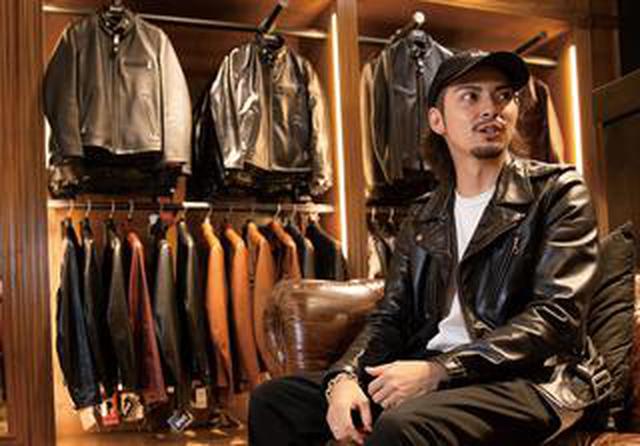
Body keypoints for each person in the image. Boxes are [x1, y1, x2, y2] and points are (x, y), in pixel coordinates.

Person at [249, 50, 607, 445]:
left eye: (503, 96)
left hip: (534, 380)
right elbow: (392, 315)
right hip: (440, 374)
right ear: (438, 121)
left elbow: (557, 317)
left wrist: (440, 370)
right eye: (471, 96)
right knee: (274, 402)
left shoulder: (558, 193)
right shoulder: (425, 214)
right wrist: (343, 377)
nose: (491, 108)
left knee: (400, 425)